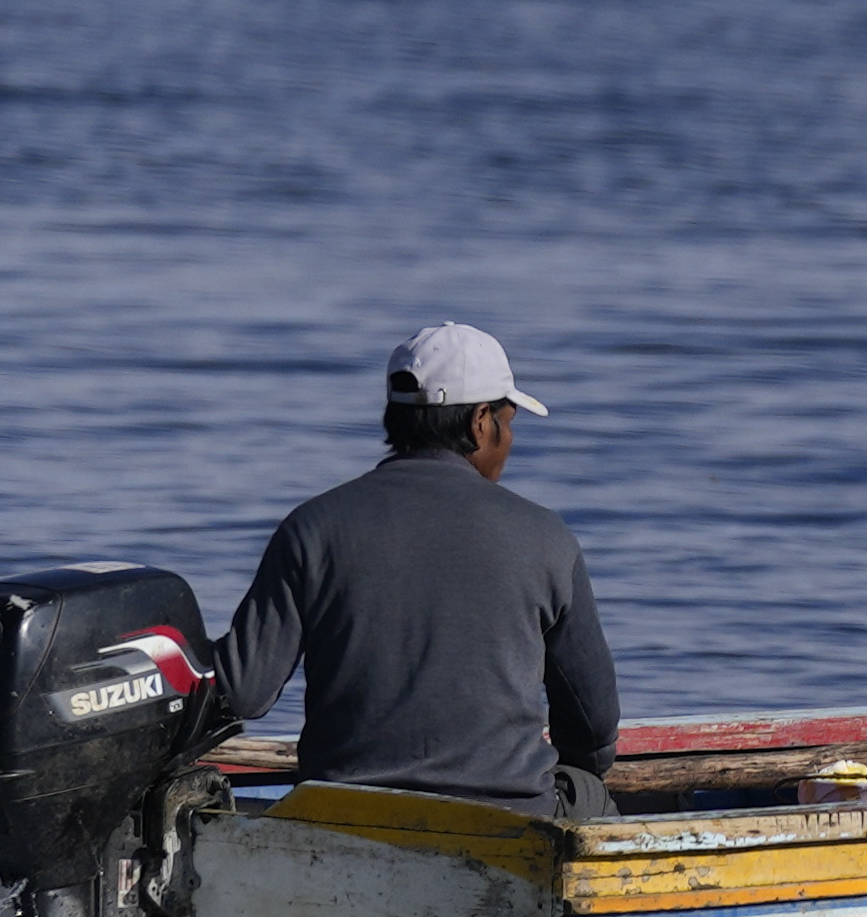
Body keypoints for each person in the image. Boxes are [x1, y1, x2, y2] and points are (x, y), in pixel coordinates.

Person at [209, 321, 623, 812]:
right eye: (509, 422)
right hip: (511, 820)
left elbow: (241, 693)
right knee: (590, 792)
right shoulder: (546, 537)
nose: (509, 439)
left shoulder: (311, 529)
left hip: (343, 816)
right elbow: (593, 730)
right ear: (480, 423)